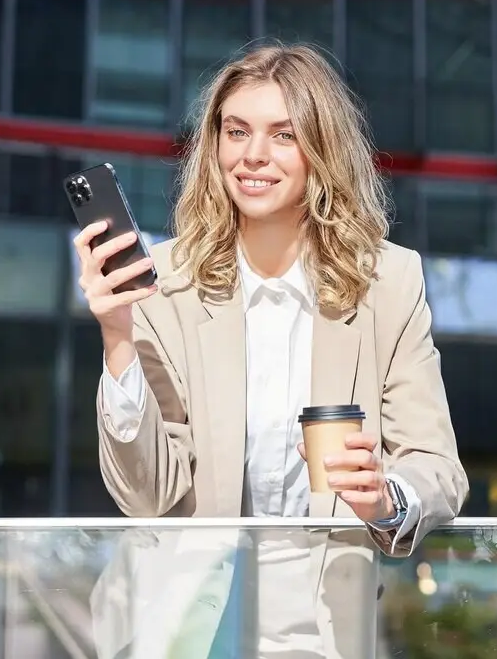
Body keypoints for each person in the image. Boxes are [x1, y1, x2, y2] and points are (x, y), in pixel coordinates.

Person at [76, 42, 467, 656]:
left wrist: (384, 496)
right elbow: (148, 496)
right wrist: (118, 336)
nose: (252, 155)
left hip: (323, 621)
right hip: (183, 617)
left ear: (322, 151)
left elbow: (437, 466)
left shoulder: (389, 283)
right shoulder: (166, 281)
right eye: (237, 132)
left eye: (283, 135)